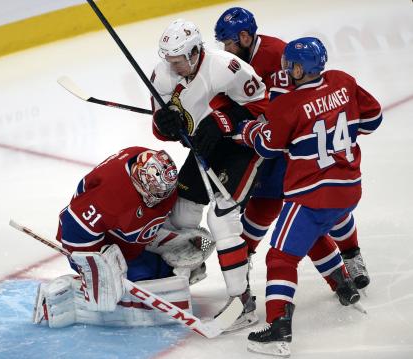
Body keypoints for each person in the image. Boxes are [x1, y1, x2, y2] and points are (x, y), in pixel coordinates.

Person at [236, 37, 382, 356]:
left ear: (301, 68)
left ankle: (278, 329)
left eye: (290, 65)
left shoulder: (287, 105)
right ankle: (343, 281)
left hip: (310, 195)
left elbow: (267, 146)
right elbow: (373, 120)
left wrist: (246, 130)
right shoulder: (343, 81)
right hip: (348, 188)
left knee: (281, 257)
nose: (286, 70)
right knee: (315, 232)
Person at [215, 7, 370, 290]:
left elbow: (299, 104)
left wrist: (262, 125)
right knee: (266, 211)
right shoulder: (227, 63)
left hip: (293, 148)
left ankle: (351, 256)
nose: (225, 49)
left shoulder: (279, 54)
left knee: (319, 212)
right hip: (269, 145)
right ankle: (244, 265)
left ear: (245, 37)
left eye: (228, 43)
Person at [151, 18, 269, 330]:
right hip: (205, 147)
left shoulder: (227, 67)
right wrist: (165, 124)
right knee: (183, 213)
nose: (173, 67)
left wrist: (223, 121)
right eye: (170, 61)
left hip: (242, 147)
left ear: (193, 53)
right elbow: (161, 125)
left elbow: (264, 108)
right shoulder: (162, 75)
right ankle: (180, 275)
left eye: (179, 61)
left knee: (222, 218)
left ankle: (242, 302)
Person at [33, 147, 214, 328]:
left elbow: (148, 215)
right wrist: (99, 268)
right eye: (154, 193)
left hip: (125, 236)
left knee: (162, 273)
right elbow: (74, 226)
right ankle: (69, 296)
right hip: (98, 244)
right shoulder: (111, 195)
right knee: (127, 286)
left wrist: (170, 238)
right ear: (138, 178)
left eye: (161, 194)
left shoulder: (156, 175)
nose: (157, 198)